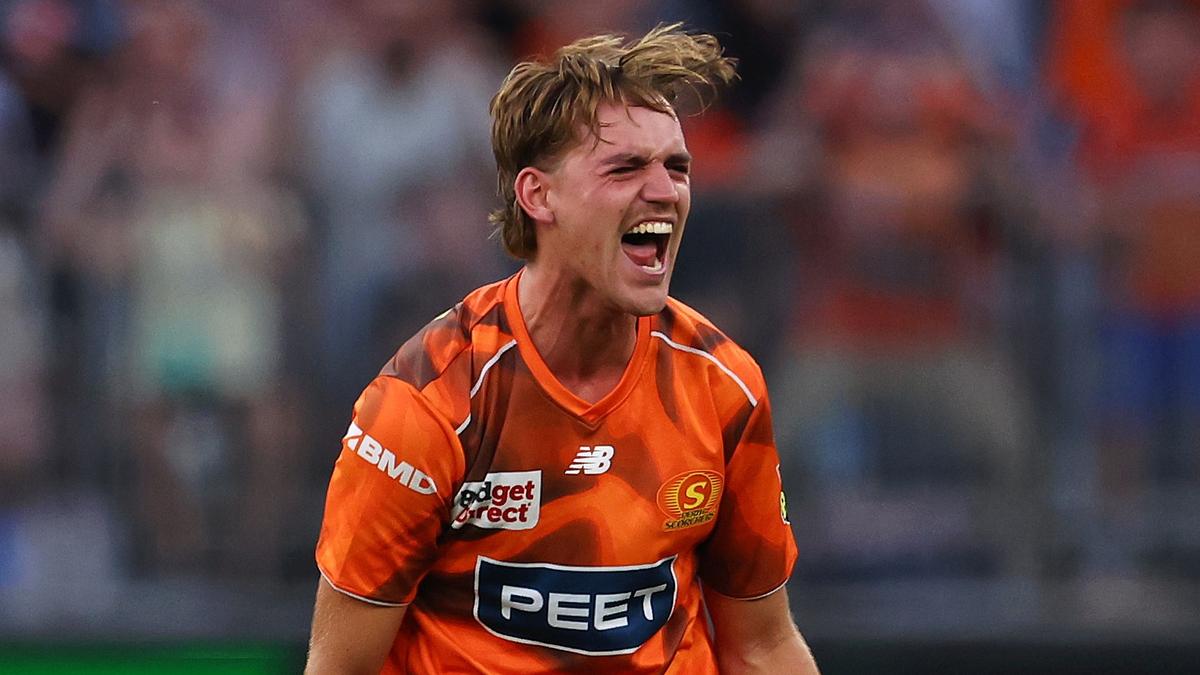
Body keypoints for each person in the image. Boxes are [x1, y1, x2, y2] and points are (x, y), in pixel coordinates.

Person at [305, 24, 820, 674]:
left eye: (677, 167)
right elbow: (340, 666)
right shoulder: (428, 400)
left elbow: (763, 644)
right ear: (538, 195)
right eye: (625, 167)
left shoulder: (723, 386)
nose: (666, 191)